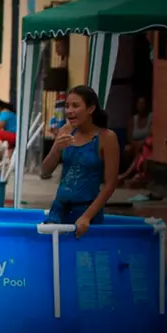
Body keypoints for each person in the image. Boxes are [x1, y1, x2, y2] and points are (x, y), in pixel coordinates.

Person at [41, 85, 119, 238]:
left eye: (75, 106)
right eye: (67, 106)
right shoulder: (66, 131)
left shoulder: (107, 138)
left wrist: (87, 217)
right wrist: (56, 148)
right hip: (58, 209)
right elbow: (45, 171)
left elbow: (110, 184)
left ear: (90, 109)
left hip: (85, 211)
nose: (69, 111)